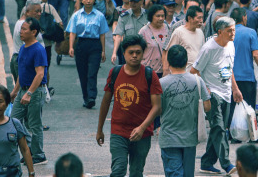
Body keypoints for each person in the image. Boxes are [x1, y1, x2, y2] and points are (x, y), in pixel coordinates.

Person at [96, 35, 162, 177]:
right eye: (130, 52)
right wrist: (99, 129)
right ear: (124, 53)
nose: (134, 56)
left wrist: (142, 127)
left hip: (142, 134)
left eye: (138, 52)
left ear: (143, 53)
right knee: (118, 170)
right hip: (119, 131)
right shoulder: (115, 73)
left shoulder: (150, 75)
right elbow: (106, 102)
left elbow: (157, 107)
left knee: (136, 172)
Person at [190, 17, 243, 175]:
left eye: (234, 30)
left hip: (226, 92)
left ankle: (206, 163)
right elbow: (194, 71)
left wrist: (235, 89)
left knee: (218, 129)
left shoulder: (231, 45)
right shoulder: (209, 48)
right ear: (219, 32)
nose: (233, 33)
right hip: (212, 93)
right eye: (229, 31)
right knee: (219, 128)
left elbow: (229, 68)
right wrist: (206, 91)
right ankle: (226, 163)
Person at [159, 45, 211, 177]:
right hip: (190, 138)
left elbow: (157, 109)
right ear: (187, 61)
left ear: (168, 62)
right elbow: (207, 107)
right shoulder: (198, 81)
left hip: (169, 137)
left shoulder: (161, 83)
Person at [10, 17, 48, 164]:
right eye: (21, 28)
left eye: (25, 29)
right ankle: (30, 149)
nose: (21, 31)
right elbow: (22, 72)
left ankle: (38, 155)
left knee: (34, 125)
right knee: (14, 121)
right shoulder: (22, 48)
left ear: (33, 32)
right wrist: (15, 91)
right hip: (22, 91)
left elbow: (40, 74)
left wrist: (30, 93)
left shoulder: (38, 49)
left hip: (35, 92)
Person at [230, 8, 258, 142]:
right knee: (249, 108)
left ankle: (234, 136)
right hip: (247, 76)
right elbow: (256, 55)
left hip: (231, 77)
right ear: (244, 17)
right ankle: (252, 136)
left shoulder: (228, 33)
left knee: (233, 106)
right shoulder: (250, 32)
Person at [67, 0, 109, 109]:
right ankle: (86, 97)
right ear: (82, 0)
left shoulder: (99, 16)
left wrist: (103, 50)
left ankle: (92, 97)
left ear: (94, 0)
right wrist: (71, 47)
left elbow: (102, 34)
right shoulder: (76, 15)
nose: (88, 1)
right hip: (81, 44)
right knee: (83, 73)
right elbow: (72, 32)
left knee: (92, 72)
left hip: (95, 45)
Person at [32, 0, 62, 87]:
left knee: (33, 67)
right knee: (45, 67)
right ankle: (45, 90)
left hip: (32, 43)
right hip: (47, 43)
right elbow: (59, 23)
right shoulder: (49, 7)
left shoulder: (28, 7)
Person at [11, 0, 44, 84]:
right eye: (36, 11)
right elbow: (27, 47)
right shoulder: (24, 25)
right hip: (25, 61)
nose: (39, 14)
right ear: (27, 12)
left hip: (25, 60)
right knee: (26, 89)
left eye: (40, 11)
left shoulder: (29, 23)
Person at [163, 6, 205, 71]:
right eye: (199, 18)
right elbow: (170, 52)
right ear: (190, 18)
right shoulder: (178, 32)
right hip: (183, 72)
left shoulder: (200, 32)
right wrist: (166, 69)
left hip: (197, 72)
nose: (201, 21)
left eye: (202, 18)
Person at [111, 0, 147, 65]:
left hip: (145, 51)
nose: (133, 3)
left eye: (135, 1)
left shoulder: (148, 15)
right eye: (131, 1)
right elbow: (118, 35)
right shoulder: (124, 16)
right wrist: (114, 53)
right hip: (129, 51)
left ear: (141, 1)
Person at [138, 5, 169, 76]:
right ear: (151, 16)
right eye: (158, 16)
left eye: (163, 16)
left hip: (165, 71)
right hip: (148, 71)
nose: (161, 18)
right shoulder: (144, 31)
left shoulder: (168, 29)